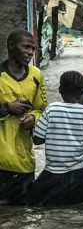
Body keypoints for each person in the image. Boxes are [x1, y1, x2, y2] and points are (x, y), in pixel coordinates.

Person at [27, 71, 83, 206]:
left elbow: (37, 140)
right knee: (82, 210)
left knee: (35, 207)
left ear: (60, 90)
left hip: (52, 174)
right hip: (80, 175)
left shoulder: (51, 109)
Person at [0, 29, 47, 205]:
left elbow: (42, 109)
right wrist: (6, 108)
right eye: (26, 47)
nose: (30, 52)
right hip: (1, 161)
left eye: (33, 49)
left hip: (24, 161)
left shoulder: (36, 75)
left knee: (22, 214)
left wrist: (34, 118)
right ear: (11, 46)